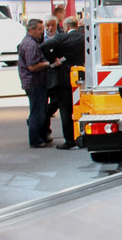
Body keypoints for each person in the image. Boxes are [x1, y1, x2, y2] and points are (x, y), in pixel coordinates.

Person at [18, 18, 63, 148]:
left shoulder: (31, 42)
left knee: (40, 111)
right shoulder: (31, 45)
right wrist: (49, 64)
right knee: (37, 112)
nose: (41, 32)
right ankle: (36, 139)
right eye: (39, 29)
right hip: (35, 82)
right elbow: (32, 66)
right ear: (31, 29)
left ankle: (41, 136)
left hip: (36, 82)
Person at [40, 16, 85, 149]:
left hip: (64, 77)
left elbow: (43, 46)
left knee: (66, 111)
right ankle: (81, 137)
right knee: (81, 109)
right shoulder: (84, 37)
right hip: (81, 76)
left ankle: (69, 141)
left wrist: (54, 60)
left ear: (66, 26)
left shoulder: (61, 38)